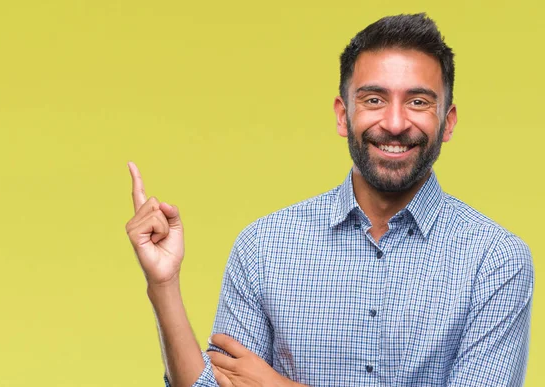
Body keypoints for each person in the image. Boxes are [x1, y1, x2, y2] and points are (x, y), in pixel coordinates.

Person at [125, 13, 534, 387]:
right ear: (343, 115)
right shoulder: (264, 246)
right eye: (374, 99)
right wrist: (164, 285)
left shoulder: (496, 261)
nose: (394, 122)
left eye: (418, 101)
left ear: (447, 122)